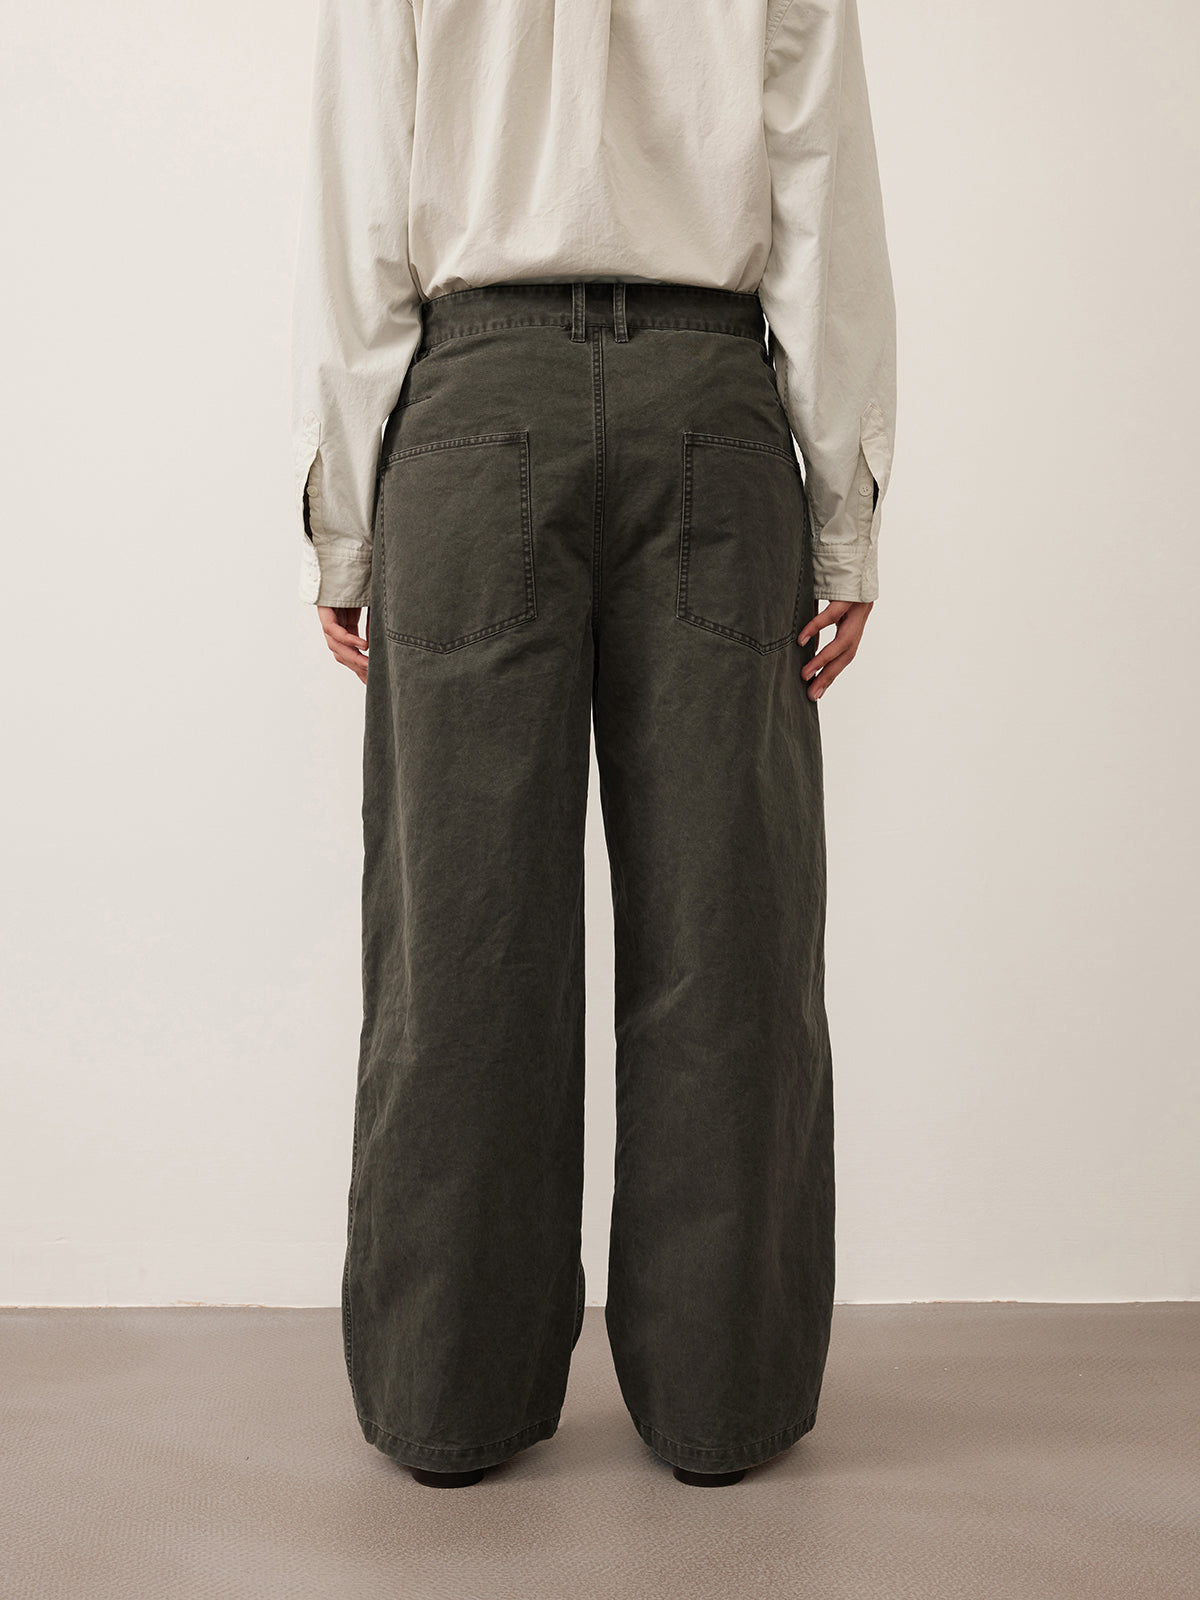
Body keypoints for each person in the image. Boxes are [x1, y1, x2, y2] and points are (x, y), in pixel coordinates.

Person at [289, 0, 895, 1491]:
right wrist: (843, 511)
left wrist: (346, 518)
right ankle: (721, 1400)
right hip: (713, 411)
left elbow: (361, 203)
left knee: (463, 935)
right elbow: (820, 184)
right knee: (729, 935)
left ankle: (450, 1395)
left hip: (473, 408)